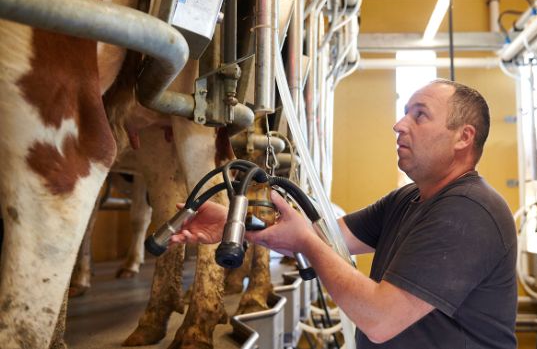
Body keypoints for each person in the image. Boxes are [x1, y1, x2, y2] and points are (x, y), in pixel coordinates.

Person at [171, 79, 518, 348]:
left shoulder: (469, 211)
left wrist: (307, 241)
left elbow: (380, 319)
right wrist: (235, 222)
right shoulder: (410, 199)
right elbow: (323, 237)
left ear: (463, 137)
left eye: (419, 115)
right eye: (404, 111)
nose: (398, 125)